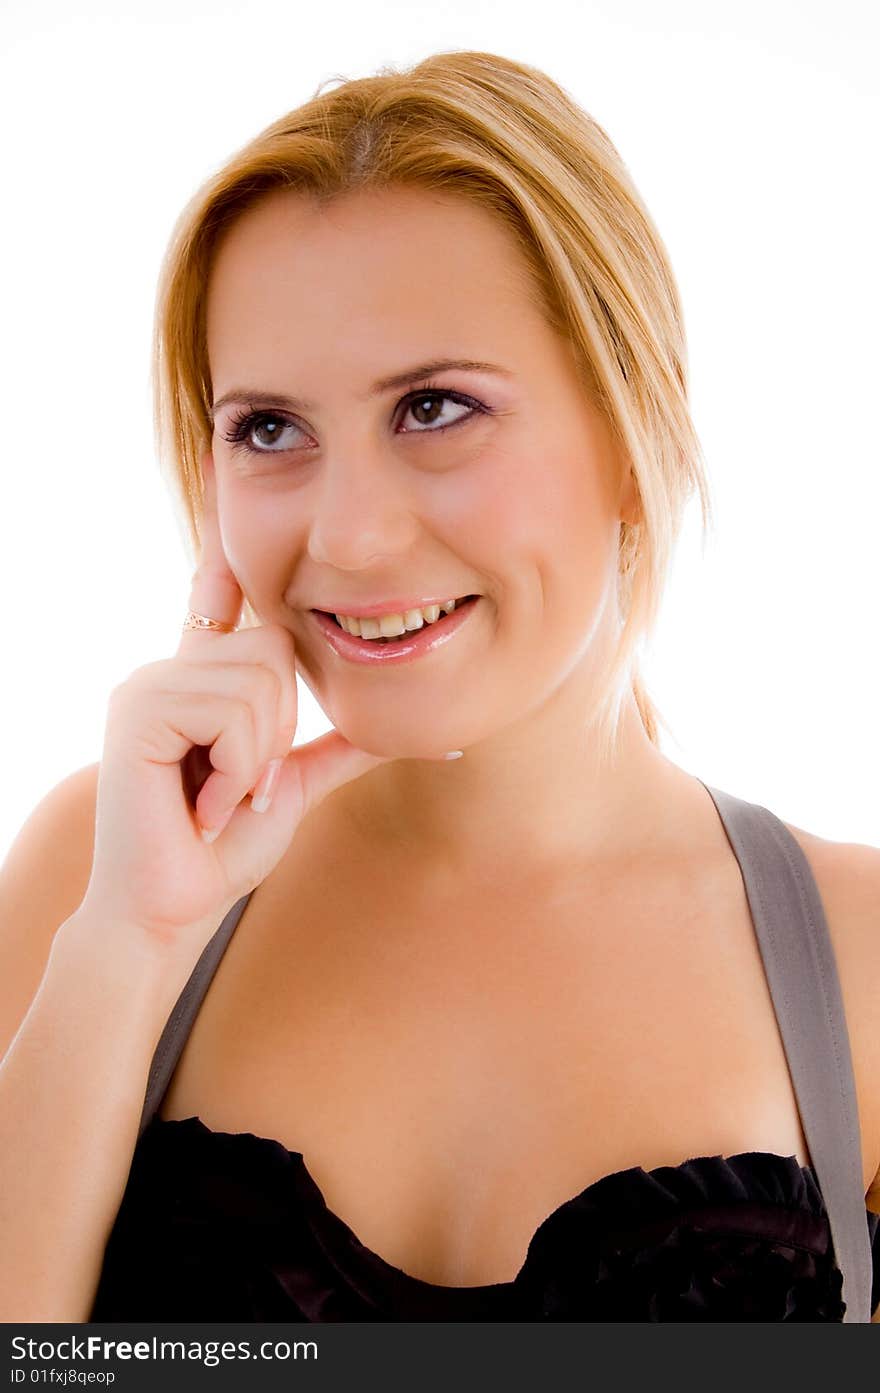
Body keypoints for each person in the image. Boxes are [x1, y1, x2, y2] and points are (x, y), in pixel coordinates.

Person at [1, 49, 878, 1324]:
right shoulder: (102, 875)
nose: (349, 536)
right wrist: (125, 950)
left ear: (635, 423)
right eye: (270, 428)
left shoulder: (857, 953)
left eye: (433, 407)